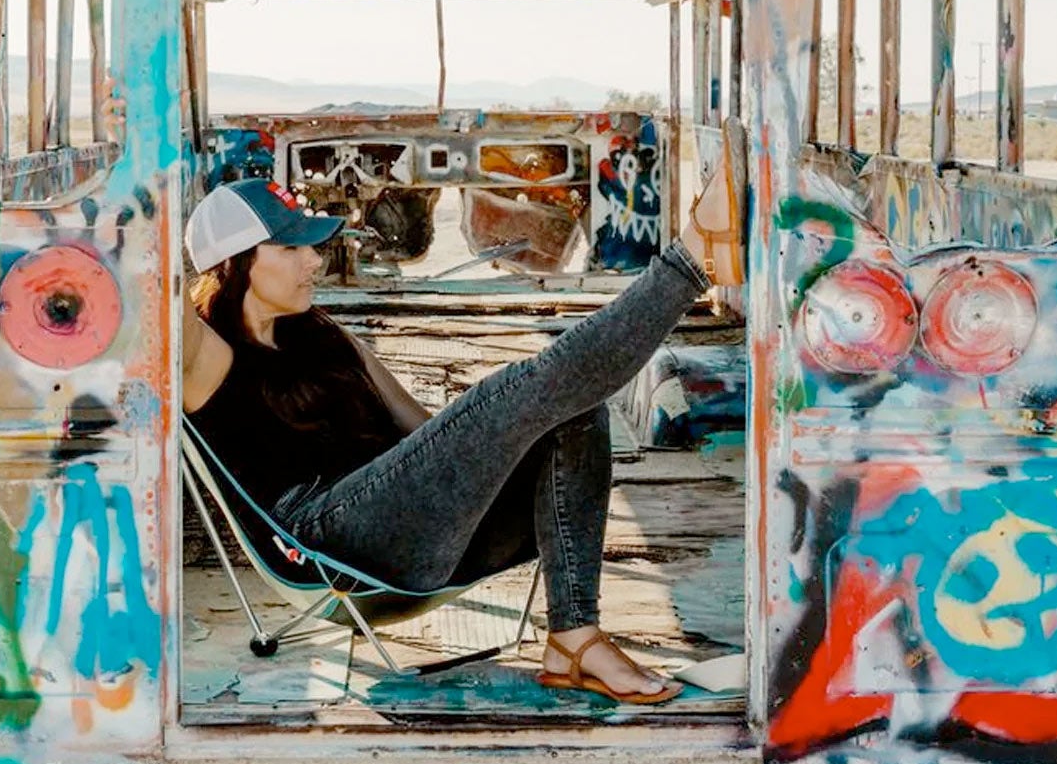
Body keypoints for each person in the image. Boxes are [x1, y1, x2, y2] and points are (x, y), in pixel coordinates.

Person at [180, 152, 745, 704]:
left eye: (311, 245)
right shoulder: (204, 358)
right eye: (290, 247)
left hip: (410, 525)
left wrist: (507, 435)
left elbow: (429, 438)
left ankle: (573, 639)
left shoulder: (325, 338)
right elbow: (146, 284)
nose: (315, 261)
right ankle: (693, 259)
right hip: (326, 544)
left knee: (572, 409)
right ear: (232, 264)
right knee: (526, 385)